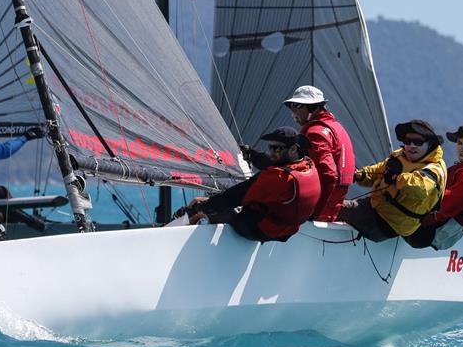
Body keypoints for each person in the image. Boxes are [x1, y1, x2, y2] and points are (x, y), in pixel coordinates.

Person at [182, 126, 321, 242]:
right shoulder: (308, 165)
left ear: (293, 149)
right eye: (270, 147)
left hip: (261, 230)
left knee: (206, 207)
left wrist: (200, 208)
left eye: (277, 148)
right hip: (287, 230)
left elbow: (234, 197)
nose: (272, 152)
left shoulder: (278, 178)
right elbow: (277, 165)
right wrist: (253, 155)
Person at [338, 120, 447, 242]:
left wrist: (396, 178)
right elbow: (379, 169)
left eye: (418, 142)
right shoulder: (400, 155)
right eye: (407, 141)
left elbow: (418, 188)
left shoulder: (434, 169)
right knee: (335, 205)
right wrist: (358, 175)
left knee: (333, 208)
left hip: (388, 223)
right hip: (374, 207)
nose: (411, 145)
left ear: (430, 144)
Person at [405, 125, 463, 249]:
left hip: (427, 235)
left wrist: (411, 218)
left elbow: (443, 209)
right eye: (460, 143)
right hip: (442, 236)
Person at [282, 85, 355, 221]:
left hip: (318, 210)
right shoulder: (336, 127)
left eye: (296, 107)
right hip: (332, 205)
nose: (293, 114)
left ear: (311, 108)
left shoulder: (315, 133)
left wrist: (314, 212)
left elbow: (329, 175)